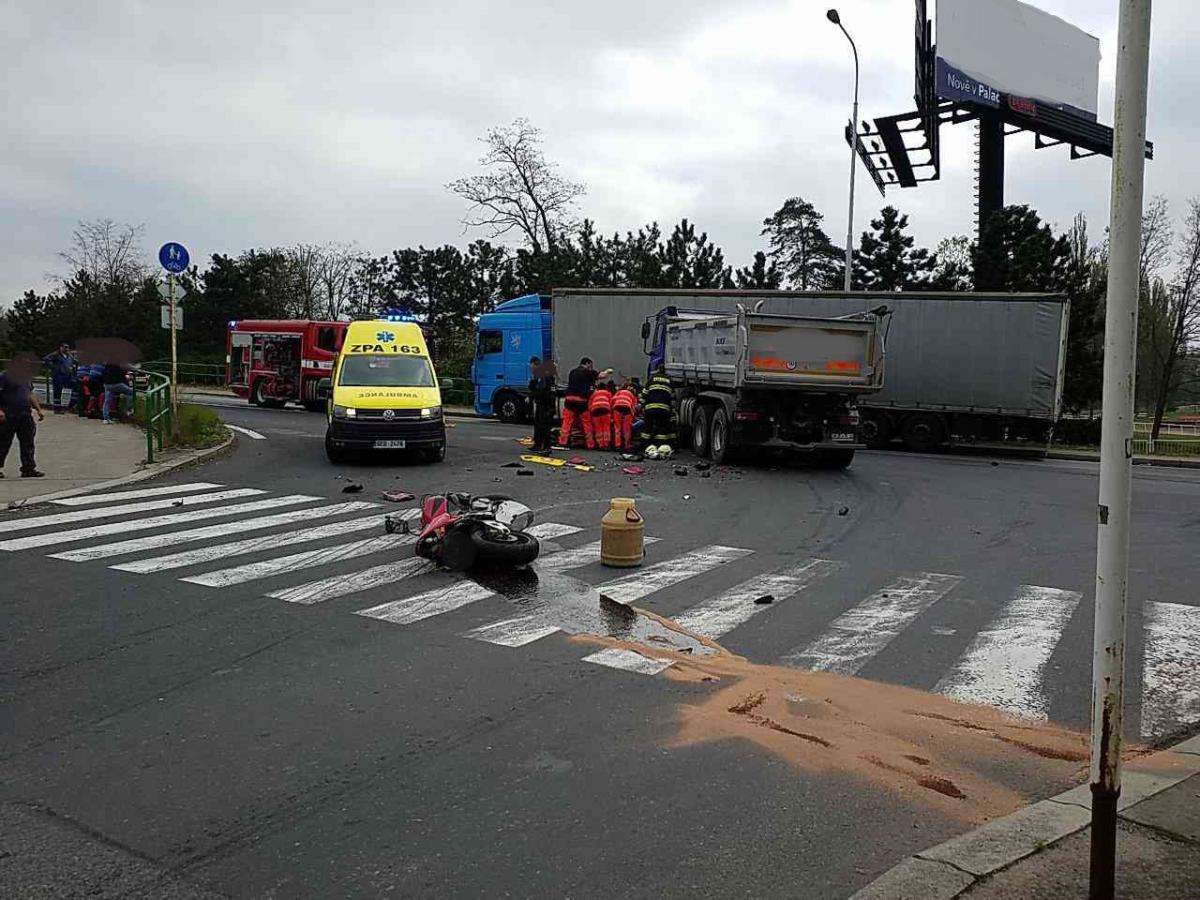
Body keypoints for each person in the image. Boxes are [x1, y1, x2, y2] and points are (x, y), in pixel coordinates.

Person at [0, 356, 46, 478]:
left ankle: (28, 468)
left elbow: (30, 394)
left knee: (28, 441)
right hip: (8, 413)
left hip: (25, 414)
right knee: (3, 442)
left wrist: (38, 409)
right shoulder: (4, 376)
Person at [557, 356, 612, 449]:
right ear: (587, 364)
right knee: (587, 423)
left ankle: (563, 442)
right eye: (590, 365)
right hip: (582, 401)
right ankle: (590, 444)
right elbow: (602, 376)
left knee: (567, 423)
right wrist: (608, 371)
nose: (591, 367)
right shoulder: (588, 372)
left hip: (569, 400)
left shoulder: (572, 372)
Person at [641, 364, 677, 449]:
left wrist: (642, 406)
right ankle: (661, 445)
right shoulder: (669, 381)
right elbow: (673, 398)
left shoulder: (652, 379)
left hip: (650, 408)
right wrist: (672, 410)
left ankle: (644, 446)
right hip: (663, 409)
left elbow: (644, 394)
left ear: (657, 370)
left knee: (648, 428)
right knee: (662, 428)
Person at [528, 356, 558, 453]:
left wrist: (531, 396)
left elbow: (541, 390)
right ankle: (538, 444)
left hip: (545, 404)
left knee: (544, 426)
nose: (531, 368)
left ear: (535, 364)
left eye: (531, 366)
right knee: (538, 425)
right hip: (543, 403)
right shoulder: (540, 375)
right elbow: (533, 387)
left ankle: (546, 446)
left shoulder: (543, 376)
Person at [43, 342, 76, 413]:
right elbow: (46, 358)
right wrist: (53, 367)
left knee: (75, 387)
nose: (66, 349)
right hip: (58, 376)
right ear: (61, 348)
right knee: (57, 392)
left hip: (67, 376)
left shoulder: (69, 356)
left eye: (67, 347)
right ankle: (57, 409)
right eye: (64, 347)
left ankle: (72, 406)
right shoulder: (56, 354)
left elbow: (74, 361)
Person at [611, 381, 638, 450]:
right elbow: (634, 406)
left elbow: (613, 399)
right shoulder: (633, 395)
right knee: (626, 429)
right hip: (627, 409)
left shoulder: (619, 392)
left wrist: (612, 409)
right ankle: (626, 445)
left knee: (617, 427)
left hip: (617, 408)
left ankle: (617, 445)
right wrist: (632, 415)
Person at [588, 380, 614, 450]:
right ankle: (606, 444)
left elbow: (590, 404)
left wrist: (591, 412)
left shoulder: (594, 393)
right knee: (606, 427)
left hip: (595, 410)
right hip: (605, 410)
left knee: (598, 428)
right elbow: (611, 403)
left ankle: (600, 444)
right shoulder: (608, 393)